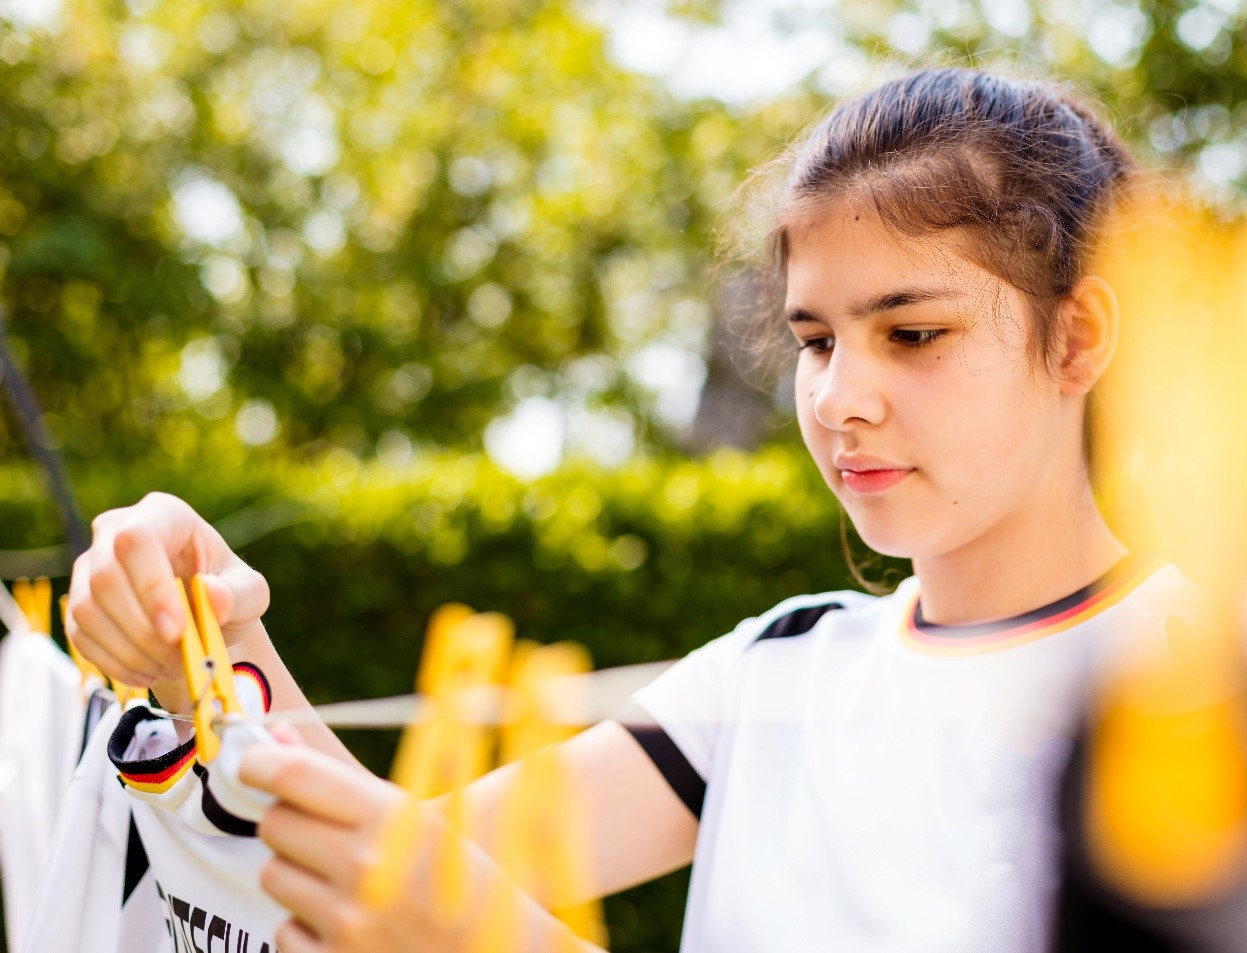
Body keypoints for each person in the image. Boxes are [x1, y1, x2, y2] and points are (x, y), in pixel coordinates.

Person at [66, 67, 1187, 953]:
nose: (840, 395)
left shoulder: (1234, 697)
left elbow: (454, 916)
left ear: (1076, 335)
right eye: (813, 341)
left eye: (912, 332)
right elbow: (390, 874)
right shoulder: (779, 666)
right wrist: (210, 637)